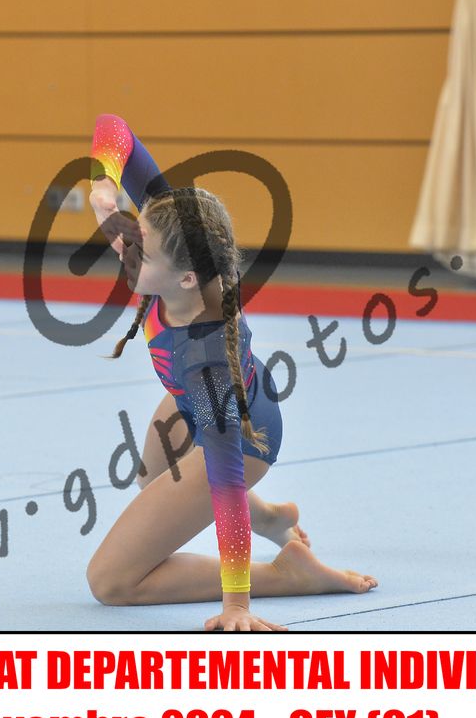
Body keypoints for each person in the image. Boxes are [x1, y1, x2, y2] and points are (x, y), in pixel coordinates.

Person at [84, 113, 378, 632]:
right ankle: (271, 517)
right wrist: (104, 183)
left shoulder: (207, 362)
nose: (125, 244)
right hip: (195, 398)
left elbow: (225, 484)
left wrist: (236, 604)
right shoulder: (181, 234)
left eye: (140, 248)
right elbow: (114, 129)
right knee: (152, 477)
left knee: (110, 582)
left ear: (186, 279)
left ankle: (287, 575)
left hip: (241, 434)